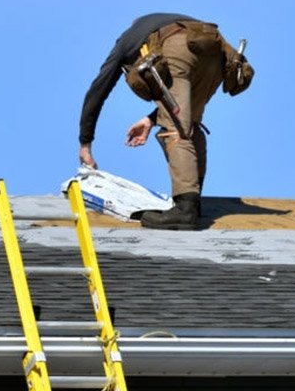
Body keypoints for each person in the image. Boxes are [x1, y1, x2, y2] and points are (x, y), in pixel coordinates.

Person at [78, 13, 248, 230]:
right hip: (217, 51)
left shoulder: (126, 41)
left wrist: (85, 144)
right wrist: (150, 120)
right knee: (189, 123)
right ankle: (194, 203)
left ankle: (185, 210)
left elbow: (98, 89)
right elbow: (180, 107)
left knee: (175, 130)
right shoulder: (166, 22)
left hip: (179, 47)